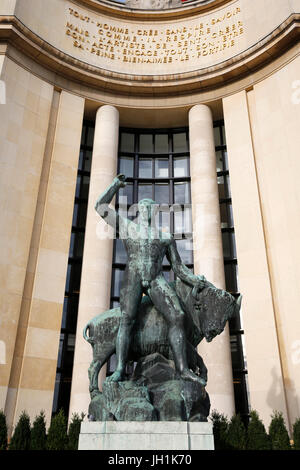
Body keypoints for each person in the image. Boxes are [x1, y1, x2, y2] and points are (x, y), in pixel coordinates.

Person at [95, 173, 206, 384]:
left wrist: (194, 280)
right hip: (133, 277)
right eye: (143, 207)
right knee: (126, 321)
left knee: (178, 316)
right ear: (139, 210)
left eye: (150, 208)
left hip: (156, 279)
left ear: (154, 212)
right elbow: (100, 207)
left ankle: (182, 369)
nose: (146, 210)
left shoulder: (164, 236)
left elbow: (179, 267)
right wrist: (115, 185)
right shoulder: (128, 227)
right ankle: (119, 369)